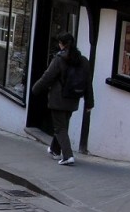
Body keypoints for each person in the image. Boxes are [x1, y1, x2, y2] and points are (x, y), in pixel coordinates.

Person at [31, 32, 94, 166]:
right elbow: (88, 82)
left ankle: (67, 155)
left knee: (60, 128)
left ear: (62, 44)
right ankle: (54, 149)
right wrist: (89, 102)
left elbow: (47, 77)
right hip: (73, 98)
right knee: (62, 125)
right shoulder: (83, 60)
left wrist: (35, 89)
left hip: (58, 99)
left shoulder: (59, 59)